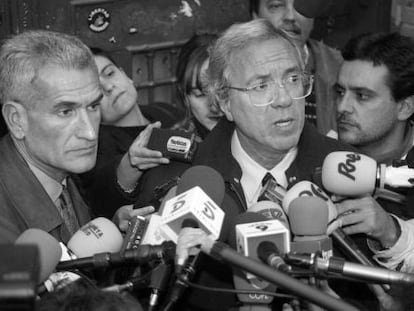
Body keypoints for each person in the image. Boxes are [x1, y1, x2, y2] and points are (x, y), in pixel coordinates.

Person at [136, 19, 359, 311]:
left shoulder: (350, 172)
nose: (283, 99)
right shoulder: (176, 184)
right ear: (225, 103)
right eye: (261, 85)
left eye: (293, 79)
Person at [333, 32, 414, 310]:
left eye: (362, 96)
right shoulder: (321, 154)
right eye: (340, 92)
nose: (343, 107)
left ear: (404, 107)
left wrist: (390, 232)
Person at [0, 30, 102, 243]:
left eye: (93, 106)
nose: (90, 133)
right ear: (17, 120)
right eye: (65, 112)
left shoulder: (58, 166)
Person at [81, 47, 185, 219]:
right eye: (95, 88)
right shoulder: (98, 146)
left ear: (125, 75)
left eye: (109, 73)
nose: (108, 87)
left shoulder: (163, 111)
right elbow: (101, 194)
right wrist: (128, 165)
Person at [250, 0, 343, 135]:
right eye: (276, 6)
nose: (291, 17)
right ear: (255, 16)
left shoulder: (338, 67)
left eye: (302, 7)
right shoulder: (235, 68)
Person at [171, 33, 223, 141]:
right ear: (184, 96)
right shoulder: (176, 146)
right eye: (200, 94)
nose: (214, 106)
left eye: (222, 90)